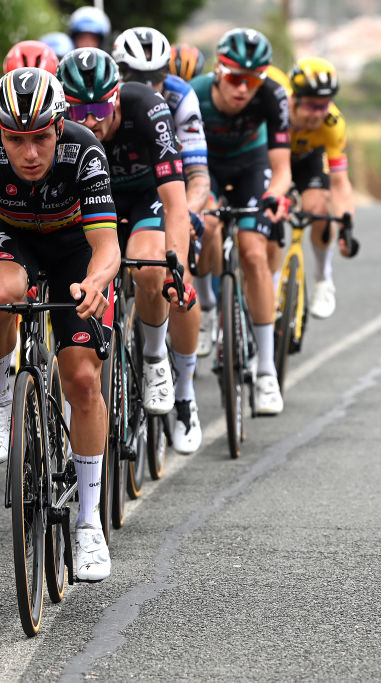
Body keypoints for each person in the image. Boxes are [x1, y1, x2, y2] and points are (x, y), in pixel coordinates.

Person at [0, 68, 120, 581]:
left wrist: (98, 282)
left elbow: (106, 247)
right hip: (10, 238)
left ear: (59, 127)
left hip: (73, 248)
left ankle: (87, 522)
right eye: (16, 139)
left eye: (40, 137)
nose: (30, 153)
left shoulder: (85, 151)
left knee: (82, 379)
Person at [59, 47, 203, 454]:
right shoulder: (59, 126)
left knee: (150, 269)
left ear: (117, 97)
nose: (89, 120)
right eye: (78, 110)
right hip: (91, 205)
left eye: (100, 109)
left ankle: (160, 361)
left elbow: (176, 204)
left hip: (144, 200)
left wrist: (177, 266)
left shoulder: (149, 109)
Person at [112, 27, 215, 439]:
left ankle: (184, 392)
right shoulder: (98, 99)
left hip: (155, 192)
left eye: (157, 75)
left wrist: (185, 220)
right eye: (136, 75)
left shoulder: (176, 98)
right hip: (102, 195)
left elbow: (198, 175)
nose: (149, 85)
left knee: (167, 272)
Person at [190, 28, 291, 415]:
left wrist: (273, 196)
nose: (243, 88)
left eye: (253, 80)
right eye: (235, 77)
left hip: (252, 165)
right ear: (218, 70)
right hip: (206, 167)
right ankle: (208, 301)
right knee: (210, 224)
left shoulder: (272, 96)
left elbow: (281, 169)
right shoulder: (195, 95)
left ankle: (266, 371)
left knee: (253, 254)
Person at [267, 57, 356, 319]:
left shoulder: (333, 124)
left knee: (317, 208)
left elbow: (340, 183)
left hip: (309, 160)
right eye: (313, 106)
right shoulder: (276, 107)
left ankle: (323, 279)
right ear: (294, 98)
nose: (320, 113)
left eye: (325, 105)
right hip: (273, 157)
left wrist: (346, 226)